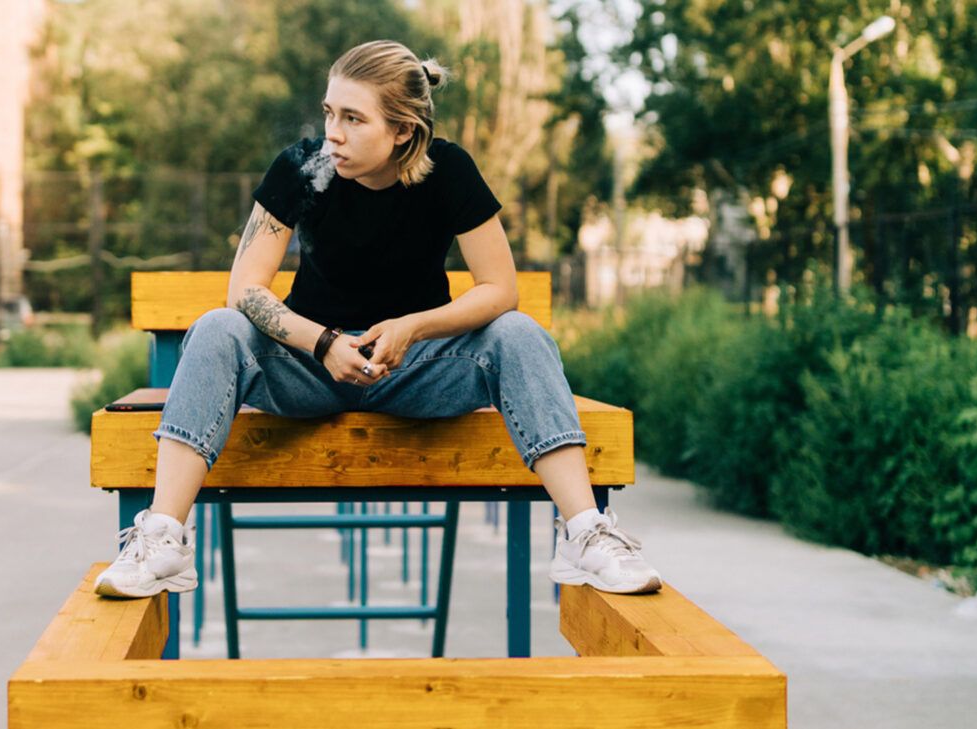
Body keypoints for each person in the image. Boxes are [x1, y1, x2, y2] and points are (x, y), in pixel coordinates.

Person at [94, 40, 661, 601]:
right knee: (217, 326)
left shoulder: (450, 171)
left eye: (352, 118)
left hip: (417, 373)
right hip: (307, 372)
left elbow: (501, 290)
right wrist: (322, 343)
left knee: (520, 334)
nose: (332, 132)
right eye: (329, 113)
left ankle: (585, 535)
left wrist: (412, 327)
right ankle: (163, 541)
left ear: (402, 132)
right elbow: (244, 291)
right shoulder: (301, 168)